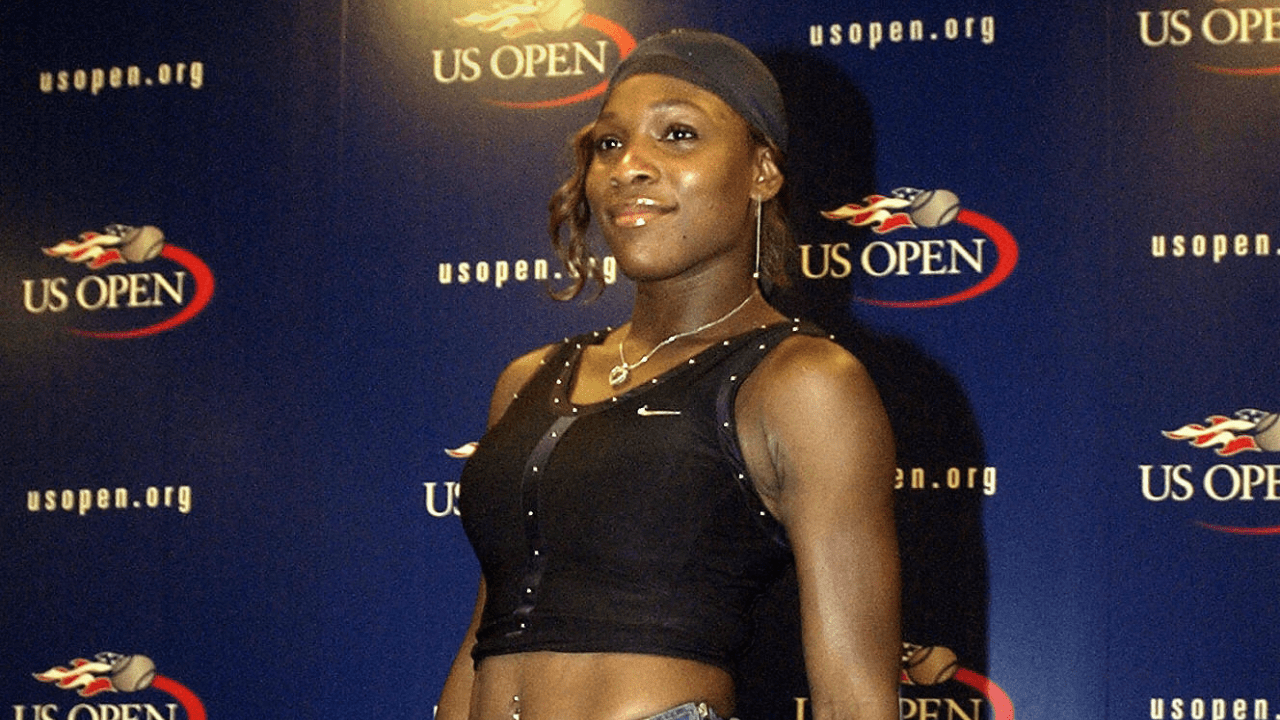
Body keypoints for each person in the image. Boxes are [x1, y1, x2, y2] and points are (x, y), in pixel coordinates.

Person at [437, 29, 899, 720]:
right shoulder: (529, 378)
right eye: (610, 143)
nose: (629, 167)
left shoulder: (802, 379)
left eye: (677, 134)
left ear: (761, 173)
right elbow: (485, 632)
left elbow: (853, 697)